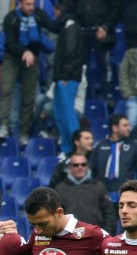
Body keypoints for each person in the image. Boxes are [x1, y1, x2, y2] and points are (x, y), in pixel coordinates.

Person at [0, 0, 58, 145]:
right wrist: (24, 51)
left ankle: (24, 131)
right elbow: (10, 43)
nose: (31, 8)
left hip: (32, 59)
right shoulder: (11, 18)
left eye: (32, 4)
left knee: (29, 96)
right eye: (28, 5)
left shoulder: (38, 15)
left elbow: (53, 26)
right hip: (12, 57)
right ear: (20, 4)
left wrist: (67, 20)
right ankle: (4, 125)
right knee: (6, 90)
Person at [51, 7, 86, 156]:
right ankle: (66, 149)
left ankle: (77, 150)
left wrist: (65, 75)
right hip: (62, 78)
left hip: (67, 78)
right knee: (59, 115)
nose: (55, 14)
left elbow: (70, 52)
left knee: (67, 115)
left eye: (56, 10)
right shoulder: (67, 26)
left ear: (60, 11)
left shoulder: (71, 26)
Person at [54, 153, 117, 231]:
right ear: (70, 167)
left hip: (96, 237)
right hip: (69, 238)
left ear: (87, 166)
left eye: (83, 164)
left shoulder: (99, 186)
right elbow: (56, 217)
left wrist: (106, 235)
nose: (80, 167)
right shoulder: (60, 189)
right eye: (76, 165)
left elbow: (109, 214)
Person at [91, 114, 137, 195]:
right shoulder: (100, 146)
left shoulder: (133, 146)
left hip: (126, 192)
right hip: (102, 192)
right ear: (115, 128)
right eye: (125, 125)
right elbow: (92, 169)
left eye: (128, 125)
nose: (129, 128)